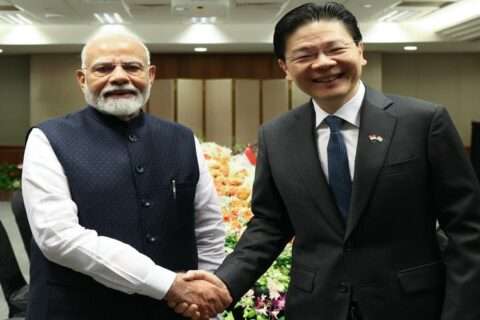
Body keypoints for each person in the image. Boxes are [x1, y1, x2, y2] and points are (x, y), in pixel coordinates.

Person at [181, 2, 480, 320]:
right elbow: (270, 225)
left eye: (335, 48)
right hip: (316, 305)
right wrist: (225, 284)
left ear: (360, 50)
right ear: (285, 67)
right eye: (305, 55)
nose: (323, 63)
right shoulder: (277, 135)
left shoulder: (422, 121)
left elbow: (467, 228)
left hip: (412, 305)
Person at [21, 31, 231, 320]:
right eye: (104, 68)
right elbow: (58, 236)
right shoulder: (48, 138)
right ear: (82, 79)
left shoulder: (182, 139)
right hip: (76, 309)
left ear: (151, 75)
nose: (119, 77)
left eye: (132, 67)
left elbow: (208, 228)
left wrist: (203, 293)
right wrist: (168, 285)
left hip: (171, 313)